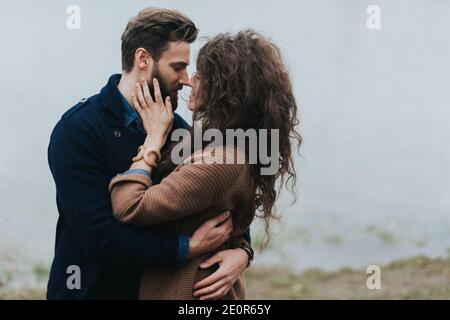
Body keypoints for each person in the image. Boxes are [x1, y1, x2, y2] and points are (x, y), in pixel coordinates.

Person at [46, 7, 253, 300]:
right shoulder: (78, 130)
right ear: (143, 59)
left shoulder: (180, 130)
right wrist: (188, 248)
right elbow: (99, 237)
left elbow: (220, 199)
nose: (186, 79)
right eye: (178, 67)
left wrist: (242, 252)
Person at [109, 30, 302, 299]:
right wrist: (243, 251)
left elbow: (129, 207)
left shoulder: (221, 161)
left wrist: (153, 139)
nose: (189, 81)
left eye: (200, 74)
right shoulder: (220, 143)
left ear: (223, 89)